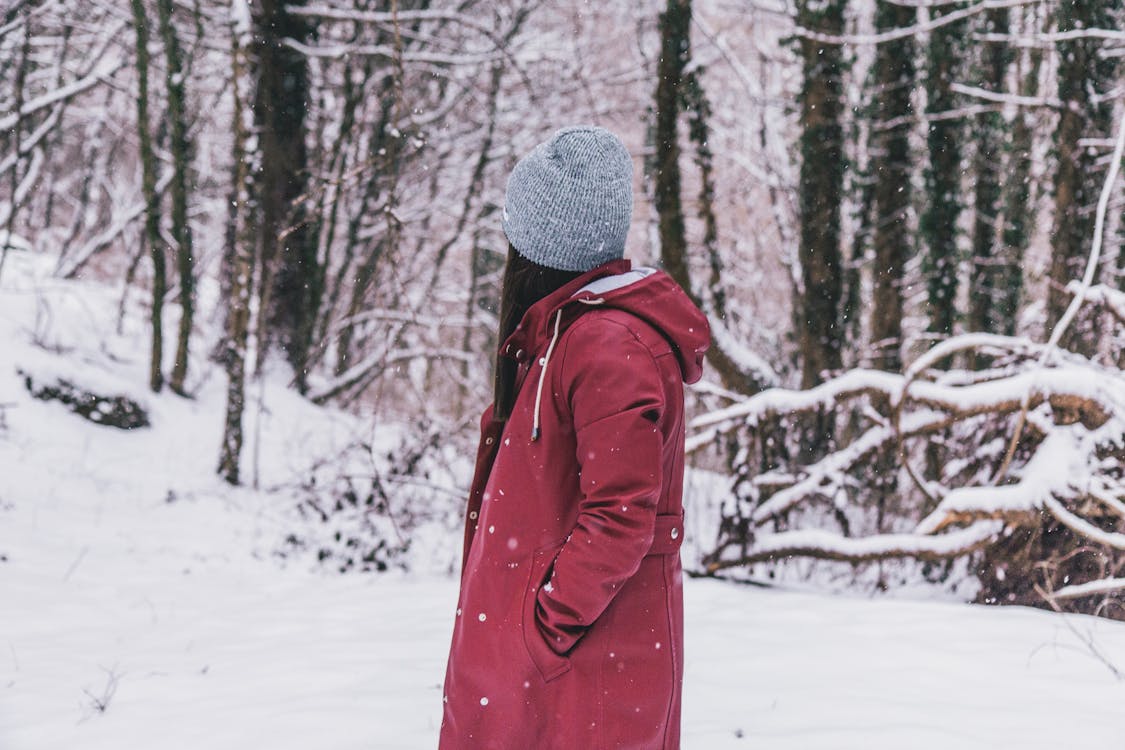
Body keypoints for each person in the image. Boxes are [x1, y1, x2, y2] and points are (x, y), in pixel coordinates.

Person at [438, 125, 710, 750]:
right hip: (557, 669)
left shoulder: (607, 345)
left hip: (582, 669)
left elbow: (620, 515)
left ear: (535, 246)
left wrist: (543, 628)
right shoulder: (567, 336)